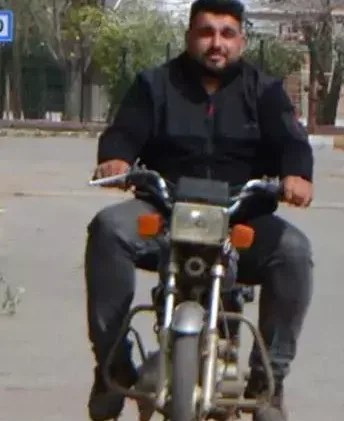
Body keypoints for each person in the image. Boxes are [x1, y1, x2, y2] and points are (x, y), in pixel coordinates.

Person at [84, 0, 314, 420]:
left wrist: (297, 175)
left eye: (227, 34)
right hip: (165, 214)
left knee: (294, 251)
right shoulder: (154, 85)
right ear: (190, 36)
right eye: (206, 32)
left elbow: (292, 142)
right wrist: (115, 158)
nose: (216, 44)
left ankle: (269, 381)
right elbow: (123, 131)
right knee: (109, 229)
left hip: (240, 219)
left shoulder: (264, 91)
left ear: (241, 40)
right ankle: (112, 364)